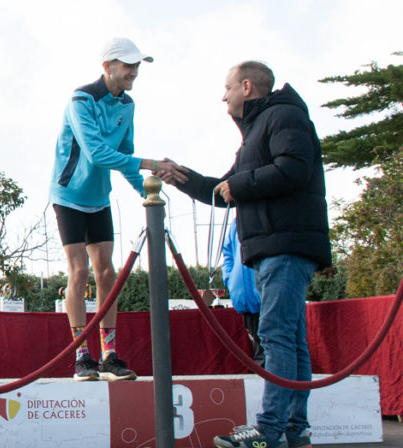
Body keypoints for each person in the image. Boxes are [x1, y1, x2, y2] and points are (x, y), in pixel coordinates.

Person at [158, 61, 330, 448]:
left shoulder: (282, 115)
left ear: (247, 87)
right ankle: (293, 428)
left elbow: (295, 169)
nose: (224, 95)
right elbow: (225, 189)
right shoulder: (257, 131)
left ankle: (268, 430)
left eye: (228, 87)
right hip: (276, 245)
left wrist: (241, 184)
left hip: (285, 244)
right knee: (290, 338)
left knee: (274, 335)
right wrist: (181, 175)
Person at [49, 37, 172, 382]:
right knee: (79, 272)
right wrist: (151, 162)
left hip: (99, 197)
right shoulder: (81, 99)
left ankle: (109, 355)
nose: (134, 72)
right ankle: (81, 356)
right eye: (127, 65)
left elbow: (128, 159)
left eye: (137, 65)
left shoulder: (128, 105)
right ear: (107, 66)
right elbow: (97, 154)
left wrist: (150, 196)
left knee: (107, 273)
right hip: (68, 194)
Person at [221, 219, 264, 365]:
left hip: (266, 297)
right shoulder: (236, 222)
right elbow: (227, 254)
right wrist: (230, 279)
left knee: (275, 352)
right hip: (245, 299)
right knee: (259, 356)